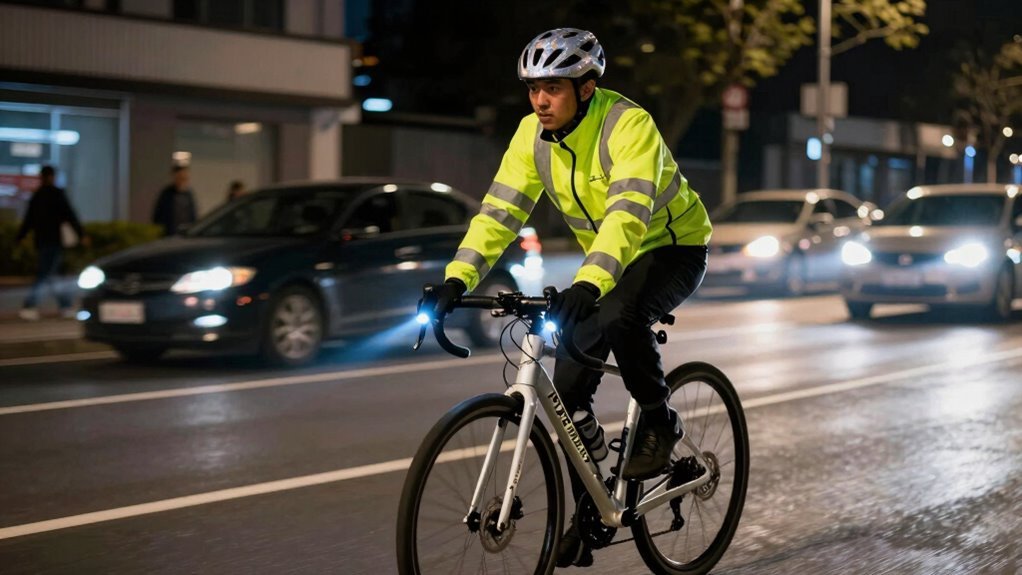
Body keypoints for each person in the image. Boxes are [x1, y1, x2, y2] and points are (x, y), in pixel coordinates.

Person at [430, 28, 712, 567]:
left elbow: (629, 212)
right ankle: (592, 514)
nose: (540, 100)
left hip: (673, 247)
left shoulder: (629, 125)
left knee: (622, 315)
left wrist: (590, 282)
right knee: (567, 395)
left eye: (553, 88)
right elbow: (499, 214)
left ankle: (659, 420)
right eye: (533, 88)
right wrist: (458, 279)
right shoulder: (531, 135)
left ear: (585, 88)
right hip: (609, 260)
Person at [15, 166, 87, 321]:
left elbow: (29, 219)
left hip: (41, 240)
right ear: (52, 176)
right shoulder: (56, 194)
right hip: (54, 240)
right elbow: (69, 214)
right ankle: (32, 306)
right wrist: (81, 234)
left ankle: (64, 306)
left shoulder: (38, 195)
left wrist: (20, 237)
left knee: (51, 274)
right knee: (47, 274)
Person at [152, 164, 197, 236]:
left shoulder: (189, 195)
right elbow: (157, 216)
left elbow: (193, 216)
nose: (183, 181)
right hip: (169, 234)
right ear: (175, 177)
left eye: (185, 178)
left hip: (185, 235)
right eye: (180, 178)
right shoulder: (166, 194)